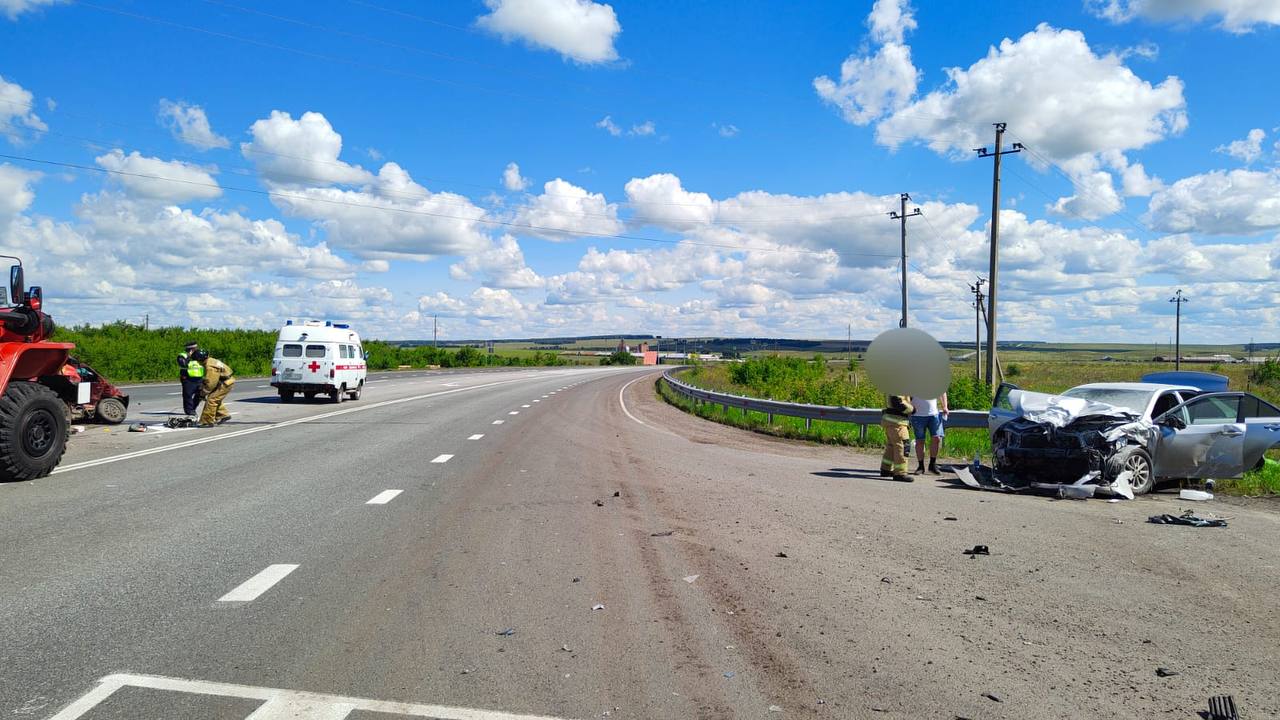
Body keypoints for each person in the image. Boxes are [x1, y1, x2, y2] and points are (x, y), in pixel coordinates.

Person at [910, 393, 949, 475]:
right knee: (920, 441)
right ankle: (921, 466)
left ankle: (932, 464)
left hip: (934, 414)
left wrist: (945, 406)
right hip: (917, 415)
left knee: (937, 438)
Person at [194, 349, 235, 427]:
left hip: (225, 383)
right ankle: (223, 415)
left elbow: (211, 383)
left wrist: (203, 393)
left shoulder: (210, 366)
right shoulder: (211, 360)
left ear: (200, 359)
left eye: (197, 360)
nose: (197, 362)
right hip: (224, 381)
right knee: (214, 398)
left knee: (211, 400)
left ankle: (207, 421)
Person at [880, 395, 914, 481]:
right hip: (897, 422)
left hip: (891, 421)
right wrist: (912, 409)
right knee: (902, 446)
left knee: (891, 446)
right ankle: (900, 473)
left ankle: (885, 469)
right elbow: (898, 403)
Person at [178, 340, 204, 418]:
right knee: (188, 395)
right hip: (188, 378)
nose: (197, 349)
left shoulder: (199, 355)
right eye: (195, 348)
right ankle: (189, 411)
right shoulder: (183, 355)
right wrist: (190, 356)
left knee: (200, 394)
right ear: (191, 349)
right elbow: (182, 363)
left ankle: (192, 408)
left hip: (199, 378)